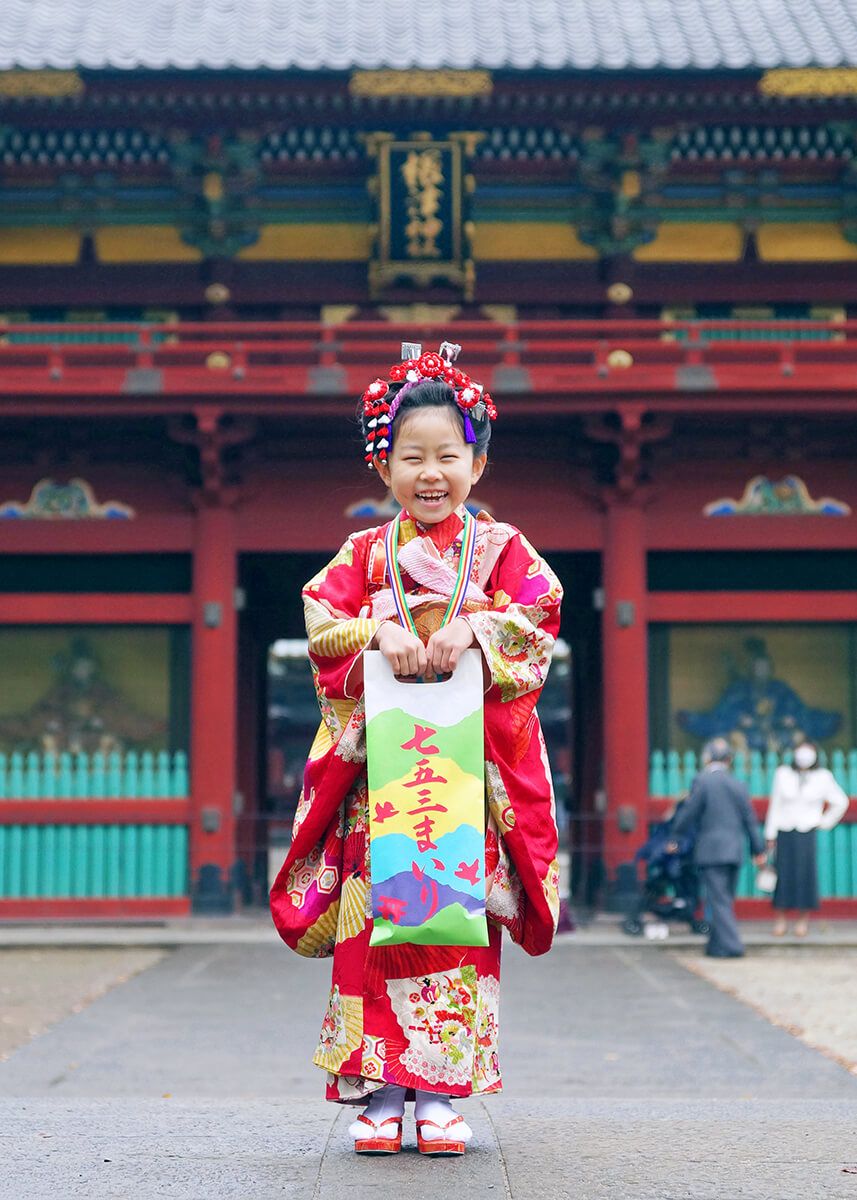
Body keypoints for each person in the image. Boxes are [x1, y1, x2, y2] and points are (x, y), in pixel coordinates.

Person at [270, 343, 563, 1156]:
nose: (430, 473)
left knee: (448, 924)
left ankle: (437, 1092)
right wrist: (379, 631)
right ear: (382, 465)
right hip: (382, 785)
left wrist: (475, 624)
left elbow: (539, 614)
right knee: (376, 928)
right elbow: (321, 624)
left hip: (460, 782)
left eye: (448, 456)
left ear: (477, 461)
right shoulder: (361, 554)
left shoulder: (504, 550)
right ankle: (377, 1093)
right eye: (410, 458)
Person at [670, 737, 767, 958]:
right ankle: (716, 946)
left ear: (707, 757)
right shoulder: (738, 784)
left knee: (719, 900)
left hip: (711, 850)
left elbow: (689, 812)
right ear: (729, 759)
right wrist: (758, 850)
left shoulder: (702, 781)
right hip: (734, 849)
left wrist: (675, 836)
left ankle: (732, 945)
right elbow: (750, 820)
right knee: (725, 899)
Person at [765, 740, 849, 937]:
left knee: (806, 876)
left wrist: (823, 821)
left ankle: (802, 921)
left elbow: (840, 801)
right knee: (783, 875)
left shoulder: (823, 777)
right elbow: (775, 804)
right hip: (785, 829)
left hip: (806, 831)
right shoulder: (783, 774)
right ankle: (781, 919)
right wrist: (770, 833)